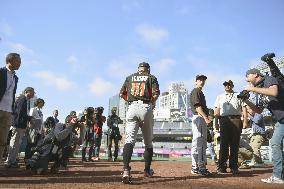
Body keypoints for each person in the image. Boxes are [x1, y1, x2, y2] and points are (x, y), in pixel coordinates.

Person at [119, 62, 160, 183]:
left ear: (138, 69)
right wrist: (151, 103)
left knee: (129, 140)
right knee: (148, 142)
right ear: (148, 69)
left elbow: (122, 93)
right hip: (145, 107)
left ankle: (126, 170)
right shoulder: (151, 77)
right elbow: (156, 93)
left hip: (131, 108)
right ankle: (147, 170)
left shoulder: (129, 77)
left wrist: (132, 100)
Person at [244, 67, 284, 184]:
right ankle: (279, 176)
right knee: (276, 142)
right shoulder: (259, 90)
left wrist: (253, 89)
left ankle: (278, 176)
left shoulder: (269, 79)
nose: (247, 81)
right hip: (280, 120)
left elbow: (274, 92)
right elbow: (258, 110)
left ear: (256, 74)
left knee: (276, 143)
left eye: (248, 77)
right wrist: (246, 100)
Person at [214, 80, 244, 175]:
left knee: (235, 144)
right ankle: (221, 166)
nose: (227, 86)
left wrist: (245, 121)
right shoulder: (219, 96)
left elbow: (244, 108)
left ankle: (234, 166)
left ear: (232, 85)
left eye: (229, 84)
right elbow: (217, 111)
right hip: (224, 120)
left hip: (236, 119)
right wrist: (216, 123)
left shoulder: (238, 95)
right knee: (224, 144)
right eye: (225, 85)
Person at [5, 87, 35, 168]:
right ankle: (9, 161)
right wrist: (30, 118)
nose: (33, 94)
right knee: (14, 143)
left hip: (21, 125)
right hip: (18, 125)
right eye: (32, 92)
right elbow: (19, 113)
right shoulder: (22, 99)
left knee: (17, 144)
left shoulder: (25, 100)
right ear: (26, 91)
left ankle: (13, 161)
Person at [189, 74, 212, 176]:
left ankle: (195, 167)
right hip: (199, 117)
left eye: (203, 80)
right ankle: (201, 168)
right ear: (196, 81)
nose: (202, 81)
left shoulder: (199, 92)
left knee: (196, 143)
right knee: (201, 143)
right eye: (200, 79)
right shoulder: (196, 91)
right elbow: (198, 107)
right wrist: (206, 117)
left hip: (198, 118)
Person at [0, 53, 21, 160]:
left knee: (3, 140)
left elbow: (12, 93)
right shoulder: (1, 72)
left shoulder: (16, 78)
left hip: (8, 111)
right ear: (10, 60)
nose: (20, 64)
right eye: (18, 61)